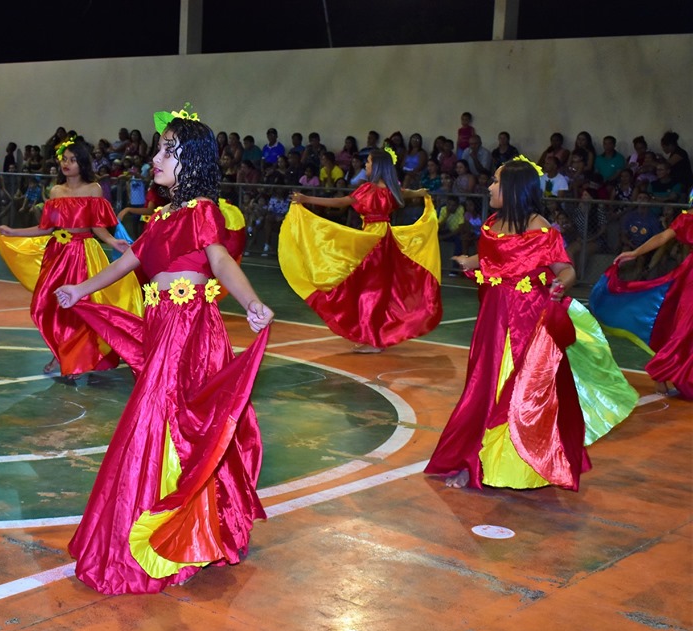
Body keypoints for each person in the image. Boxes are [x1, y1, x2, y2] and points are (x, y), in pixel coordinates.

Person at [55, 108, 274, 594]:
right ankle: (185, 528)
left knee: (160, 418)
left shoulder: (201, 211)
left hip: (188, 329)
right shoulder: (161, 217)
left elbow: (220, 260)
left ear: (190, 161)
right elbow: (128, 261)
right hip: (161, 327)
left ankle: (163, 534)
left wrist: (252, 302)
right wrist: (81, 289)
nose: (155, 158)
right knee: (165, 421)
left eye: (167, 151)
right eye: (158, 149)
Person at [426, 159, 636, 491]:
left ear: (513, 189)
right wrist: (469, 261)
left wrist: (562, 283)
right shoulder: (493, 223)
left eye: (496, 182)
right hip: (493, 319)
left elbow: (565, 268)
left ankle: (513, 465)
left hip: (527, 320)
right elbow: (493, 258)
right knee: (484, 388)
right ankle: (476, 460)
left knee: (518, 389)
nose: (490, 187)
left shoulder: (540, 227)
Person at [0, 140, 141, 377]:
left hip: (83, 252)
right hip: (57, 254)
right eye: (64, 159)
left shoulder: (93, 189)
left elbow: (97, 225)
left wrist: (113, 241)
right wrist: (13, 232)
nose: (67, 164)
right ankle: (60, 352)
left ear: (82, 163)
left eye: (73, 160)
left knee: (80, 304)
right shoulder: (56, 192)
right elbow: (46, 228)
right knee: (49, 305)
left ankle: (74, 359)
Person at [280, 148, 442, 354]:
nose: (366, 165)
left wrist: (306, 199)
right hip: (385, 239)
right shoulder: (391, 189)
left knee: (369, 292)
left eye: (369, 162)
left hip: (372, 242)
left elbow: (341, 202)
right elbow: (406, 193)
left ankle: (374, 341)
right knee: (377, 291)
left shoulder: (368, 189)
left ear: (377, 166)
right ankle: (374, 337)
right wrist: (419, 193)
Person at [594, 197, 693, 398]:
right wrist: (636, 252)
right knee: (685, 330)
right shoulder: (688, 219)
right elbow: (663, 237)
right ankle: (661, 370)